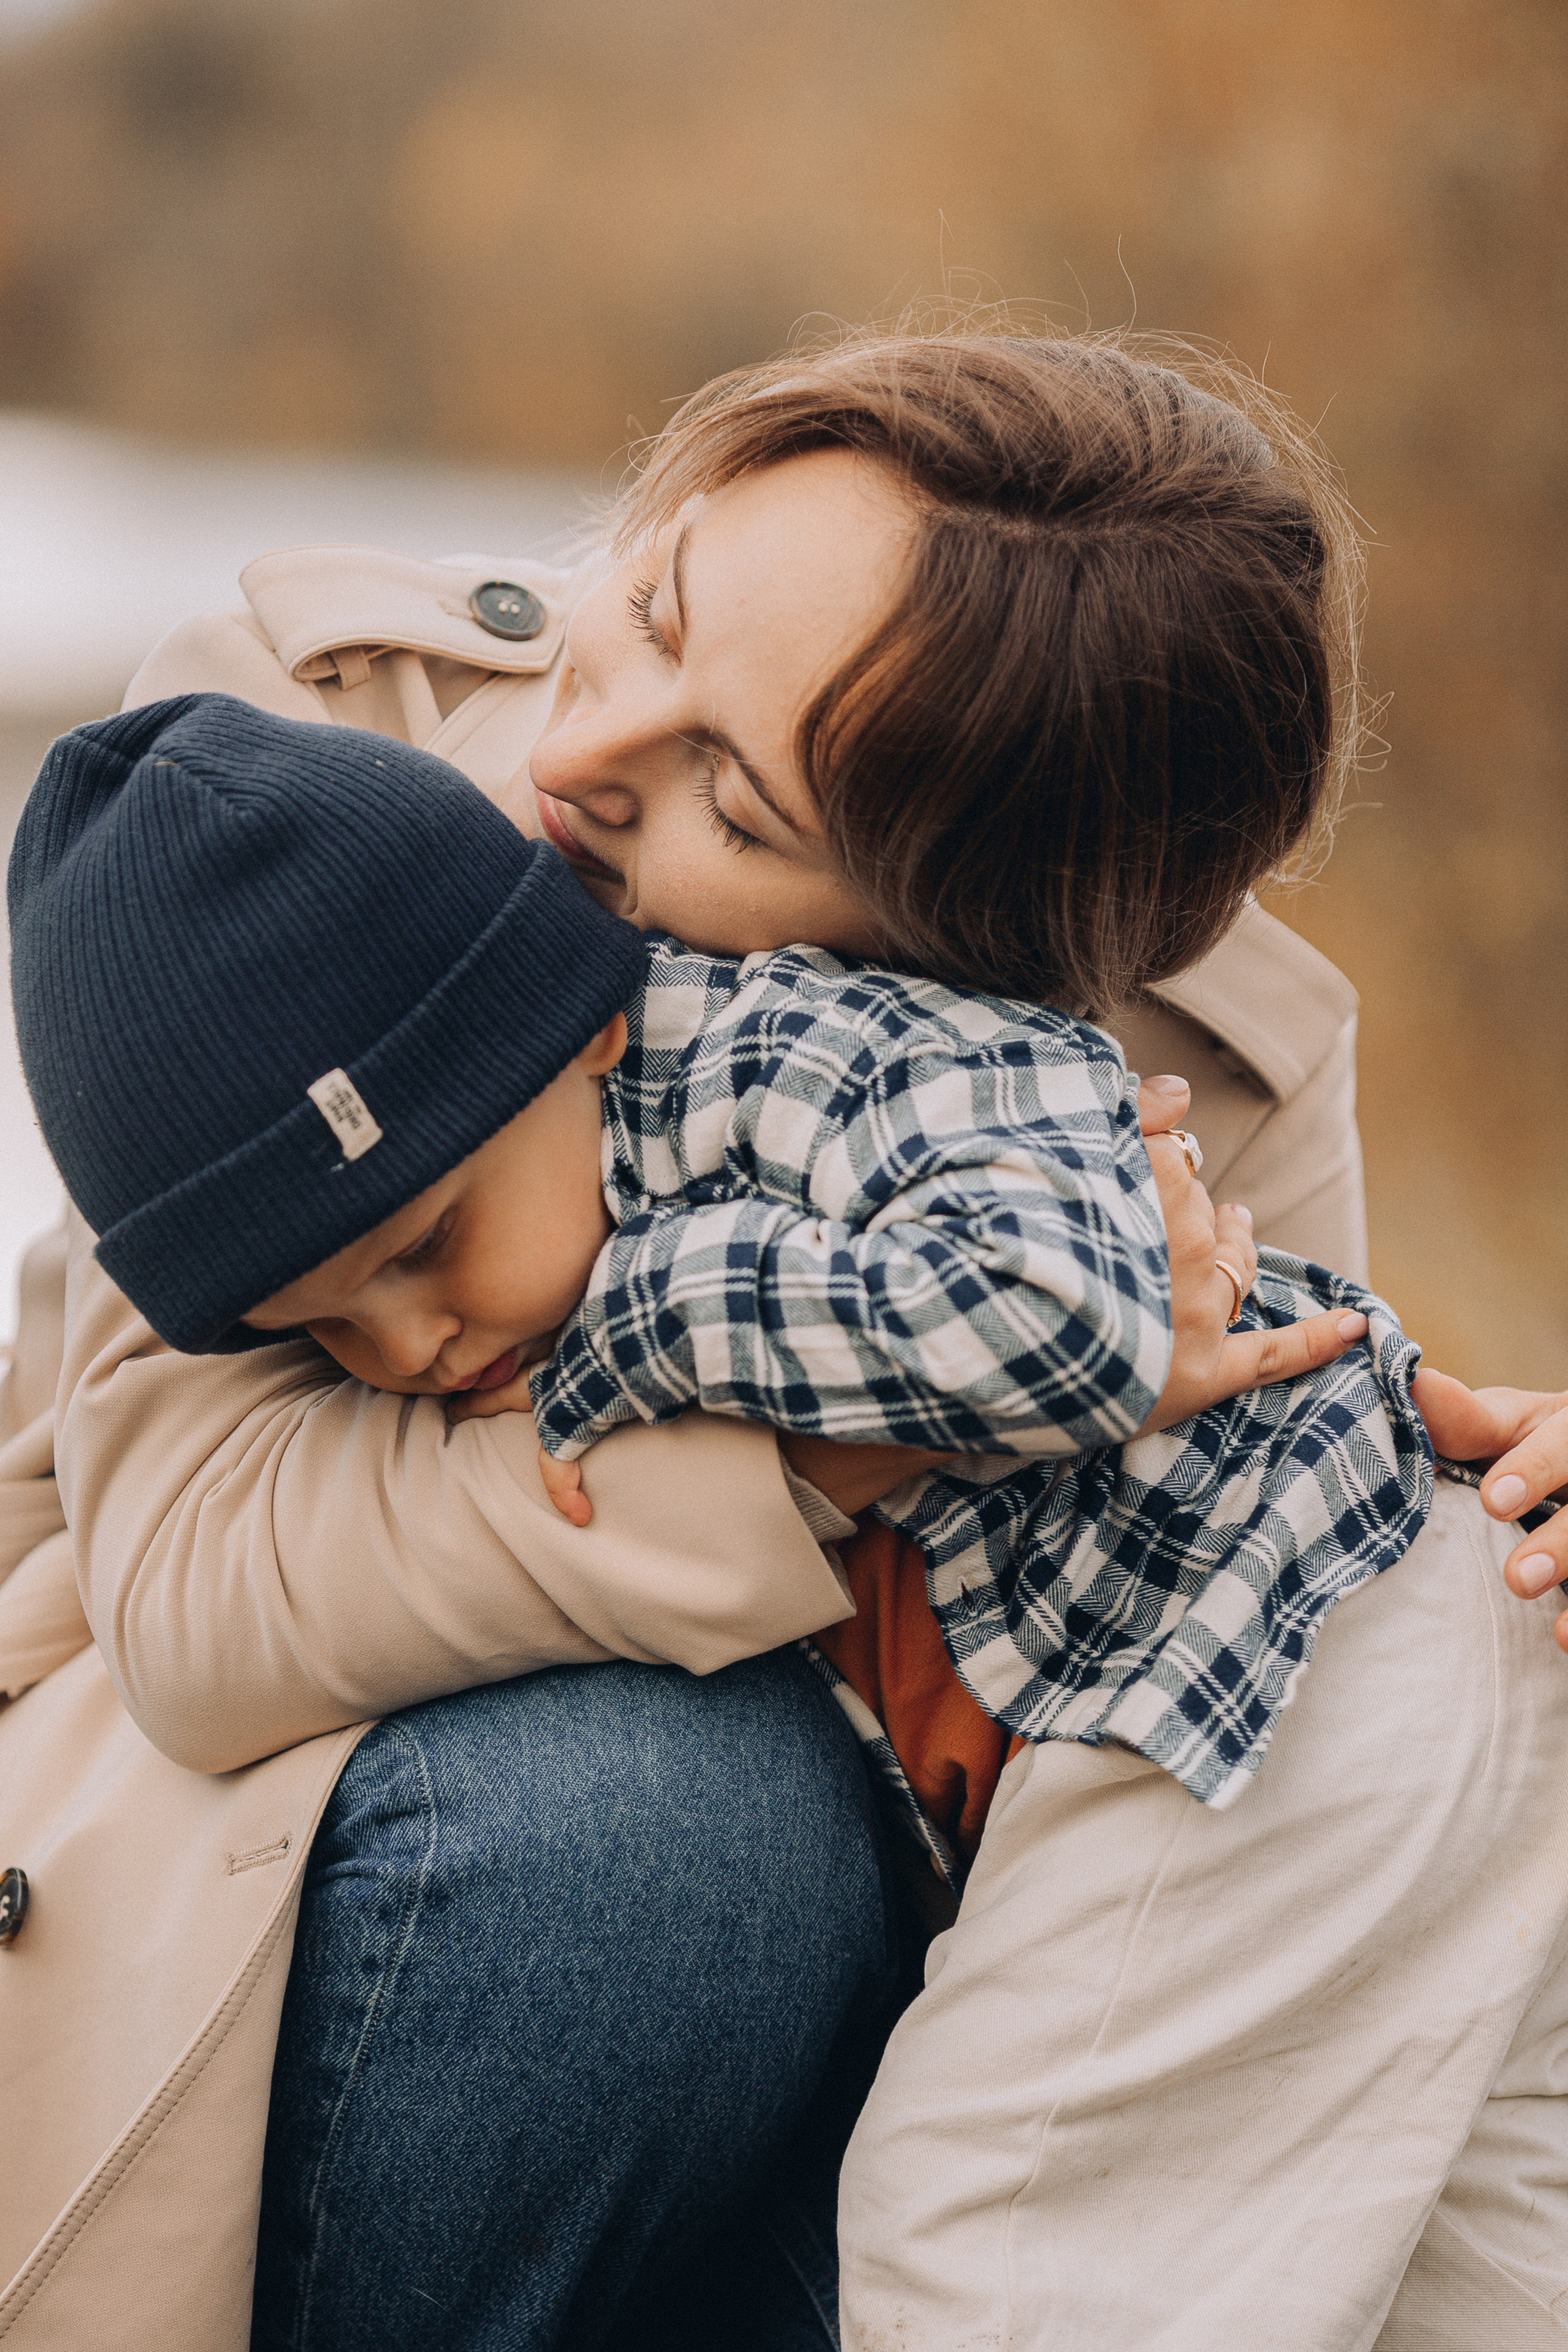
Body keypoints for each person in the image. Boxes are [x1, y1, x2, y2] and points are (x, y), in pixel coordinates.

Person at [0, 327, 1391, 2349]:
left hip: (906, 1970)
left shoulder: (1208, 1067)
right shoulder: (301, 769)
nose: (578, 752)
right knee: (673, 1831)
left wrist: (1425, 1477)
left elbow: (1225, 1576)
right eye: (649, 604)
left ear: (961, 932)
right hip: (297, 1889)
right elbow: (206, 1588)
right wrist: (857, 1440)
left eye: (730, 794)